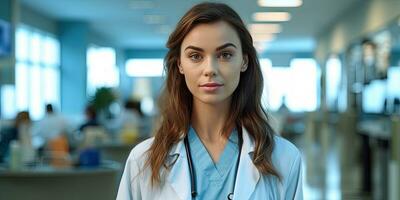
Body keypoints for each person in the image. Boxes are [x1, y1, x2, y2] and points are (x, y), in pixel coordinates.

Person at [117, 2, 303, 200]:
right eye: (195, 56)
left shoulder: (284, 158)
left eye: (225, 55)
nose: (210, 69)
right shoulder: (143, 160)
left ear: (244, 61)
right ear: (180, 64)